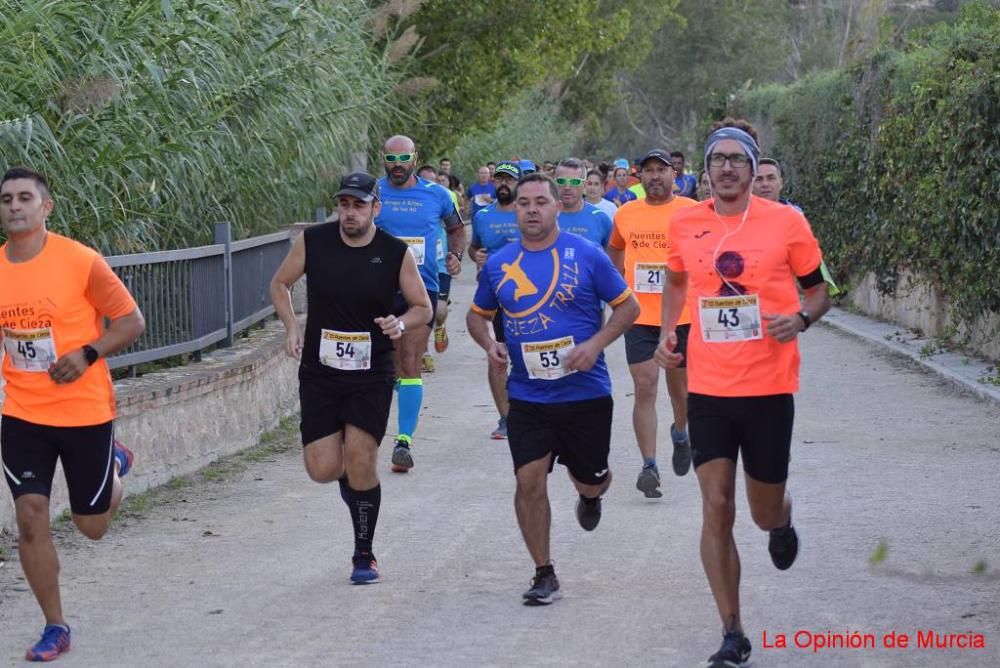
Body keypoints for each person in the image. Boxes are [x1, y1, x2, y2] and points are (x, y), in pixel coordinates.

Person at [654, 119, 831, 668]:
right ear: (705, 172)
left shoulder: (787, 224)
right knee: (716, 505)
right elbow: (677, 280)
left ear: (754, 170)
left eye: (738, 159)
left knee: (759, 510)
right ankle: (732, 630)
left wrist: (800, 319)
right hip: (708, 386)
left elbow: (821, 290)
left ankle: (781, 521)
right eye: (717, 160)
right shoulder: (685, 224)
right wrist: (667, 333)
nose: (727, 167)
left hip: (769, 386)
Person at [466, 173, 639, 606]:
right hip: (528, 396)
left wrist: (595, 344)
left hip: (585, 394)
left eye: (540, 202)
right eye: (524, 203)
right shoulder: (499, 263)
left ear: (556, 206)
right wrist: (490, 344)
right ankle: (544, 572)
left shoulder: (587, 255)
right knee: (528, 480)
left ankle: (591, 492)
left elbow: (629, 307)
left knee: (591, 478)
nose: (532, 210)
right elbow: (476, 315)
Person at [0, 166, 146, 661]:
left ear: (46, 207)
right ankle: (55, 626)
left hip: (84, 410)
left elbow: (131, 321)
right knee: (31, 516)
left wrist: (88, 353)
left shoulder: (80, 261)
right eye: (6, 199)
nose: (14, 206)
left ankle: (115, 470)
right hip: (22, 411)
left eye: (24, 197)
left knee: (92, 526)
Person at [271, 172, 432, 585]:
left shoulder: (394, 252)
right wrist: (291, 326)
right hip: (321, 371)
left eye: (359, 205)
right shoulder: (315, 241)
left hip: (371, 370)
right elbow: (280, 283)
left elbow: (422, 307)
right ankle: (353, 482)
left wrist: (400, 322)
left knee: (362, 457)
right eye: (344, 204)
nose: (350, 213)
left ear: (375, 208)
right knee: (323, 469)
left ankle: (364, 553)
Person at [607, 149, 698, 499]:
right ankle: (649, 466)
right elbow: (615, 251)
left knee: (682, 392)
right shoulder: (626, 214)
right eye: (648, 171)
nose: (655, 176)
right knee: (645, 388)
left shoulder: (691, 211)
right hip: (640, 317)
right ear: (639, 177)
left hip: (682, 317)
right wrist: (618, 285)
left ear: (675, 174)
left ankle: (680, 432)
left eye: (662, 170)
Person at [376, 135, 464, 472]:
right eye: (391, 159)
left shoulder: (437, 194)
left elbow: (456, 230)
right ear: (383, 159)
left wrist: (455, 256)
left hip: (420, 288)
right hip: (378, 288)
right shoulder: (373, 192)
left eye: (403, 158)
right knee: (386, 363)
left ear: (416, 157)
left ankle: (403, 442)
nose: (397, 165)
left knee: (410, 359)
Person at [467, 160, 522, 439]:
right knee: (496, 355)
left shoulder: (529, 213)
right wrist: (475, 256)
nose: (503, 184)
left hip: (529, 296)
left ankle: (532, 413)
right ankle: (505, 418)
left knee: (527, 356)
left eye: (509, 180)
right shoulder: (483, 216)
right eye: (499, 179)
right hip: (495, 296)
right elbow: (474, 246)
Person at [753, 158, 841, 296]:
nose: (765, 184)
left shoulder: (795, 218)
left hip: (784, 305)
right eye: (758, 179)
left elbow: (814, 270)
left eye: (771, 178)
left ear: (781, 183)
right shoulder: (738, 218)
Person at [555, 158, 613, 248]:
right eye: (562, 181)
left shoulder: (600, 218)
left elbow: (614, 258)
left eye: (575, 182)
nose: (567, 187)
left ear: (585, 185)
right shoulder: (545, 217)